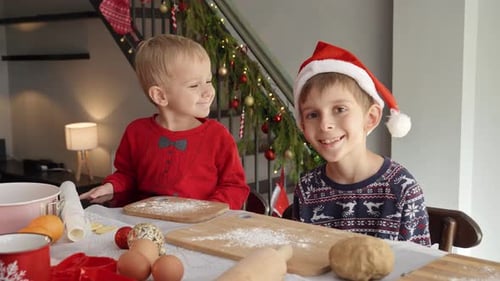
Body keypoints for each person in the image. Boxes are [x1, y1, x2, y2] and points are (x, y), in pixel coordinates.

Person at [80, 34, 250, 210]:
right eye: (194, 85)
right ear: (160, 96)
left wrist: (208, 211)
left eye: (208, 81)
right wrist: (110, 186)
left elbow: (235, 187)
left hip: (198, 228)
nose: (208, 91)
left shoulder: (217, 136)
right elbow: (127, 175)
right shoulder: (136, 132)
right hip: (146, 221)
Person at [291, 41, 431, 246]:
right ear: (303, 125)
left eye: (339, 109)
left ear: (371, 118)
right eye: (312, 114)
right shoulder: (307, 188)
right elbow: (301, 257)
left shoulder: (402, 189)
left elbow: (419, 270)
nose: (325, 124)